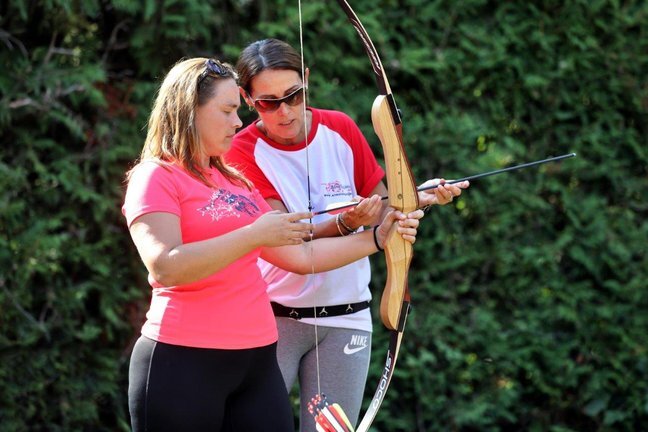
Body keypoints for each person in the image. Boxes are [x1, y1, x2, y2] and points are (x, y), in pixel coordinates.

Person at [121, 57, 423, 432]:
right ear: (189, 111)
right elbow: (165, 265)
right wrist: (254, 234)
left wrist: (379, 237)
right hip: (183, 358)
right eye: (229, 110)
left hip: (256, 361)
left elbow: (301, 255)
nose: (238, 121)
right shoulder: (156, 176)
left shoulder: (235, 181)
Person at [226, 38, 469, 431]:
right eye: (269, 102)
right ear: (247, 99)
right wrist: (351, 224)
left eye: (294, 95)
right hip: (273, 322)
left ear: (306, 80)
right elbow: (286, 235)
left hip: (346, 322)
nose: (285, 111)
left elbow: (384, 207)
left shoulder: (339, 127)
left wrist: (420, 196)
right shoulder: (240, 151)